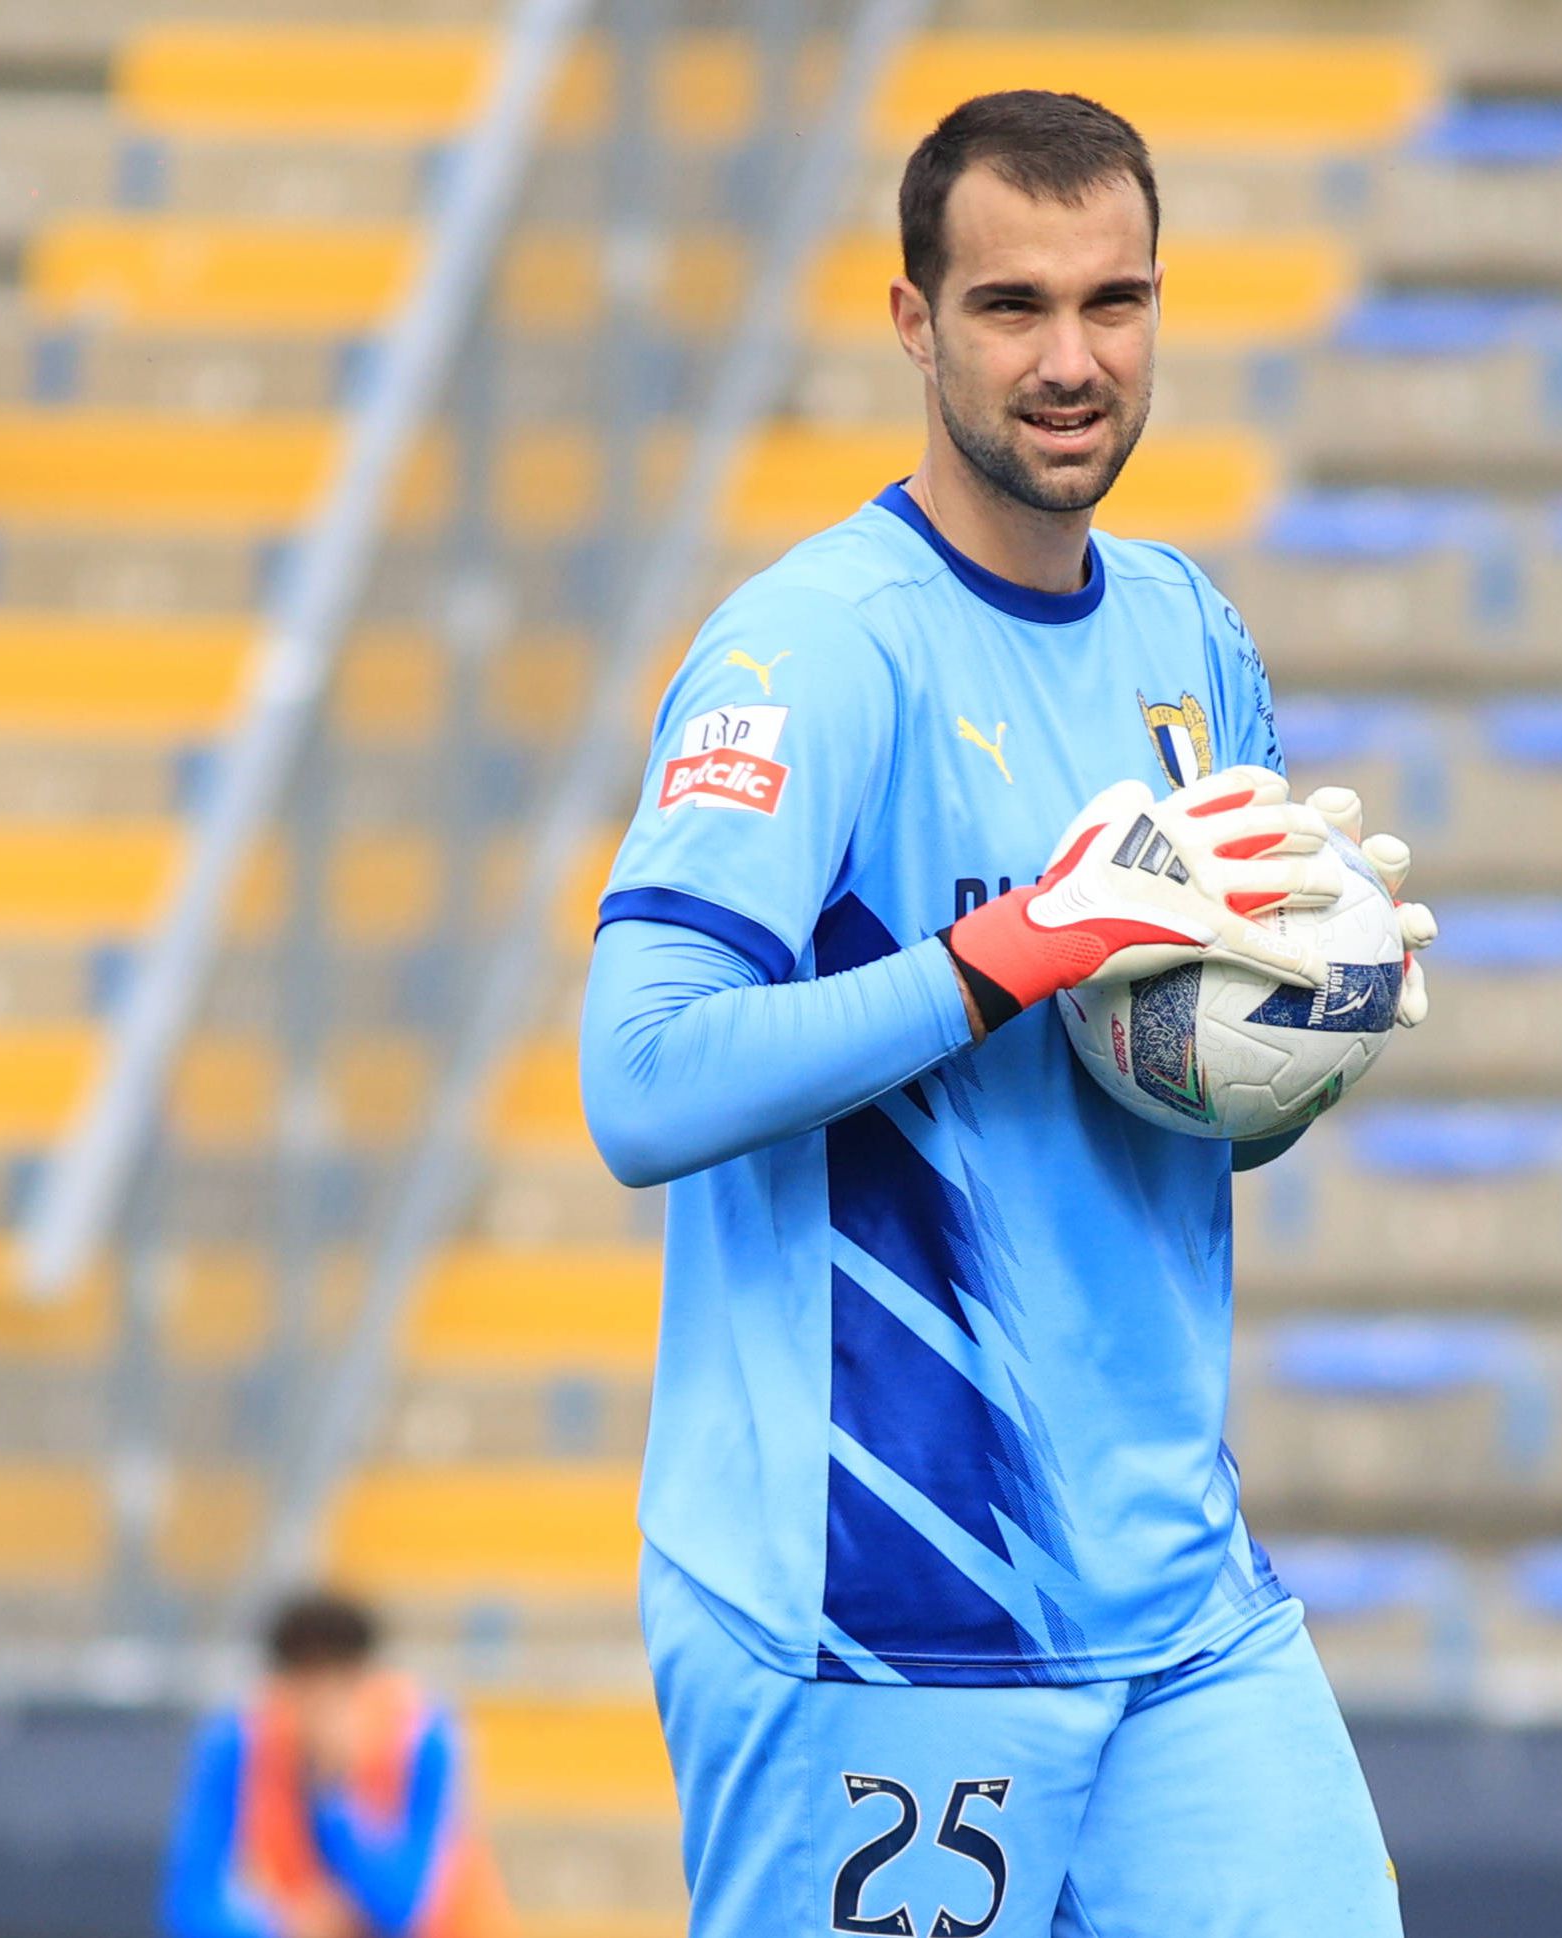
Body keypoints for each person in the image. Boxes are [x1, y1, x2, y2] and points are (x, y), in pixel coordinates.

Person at [578, 88, 1437, 1938]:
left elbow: (1178, 1091)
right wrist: (1012, 947)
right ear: (912, 323)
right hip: (884, 1615)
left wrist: (1308, 1029)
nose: (1072, 359)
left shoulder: (1187, 635)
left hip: (1181, 1613)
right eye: (1011, 307)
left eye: (1113, 303)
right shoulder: (812, 651)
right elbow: (635, 1083)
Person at [160, 1590, 512, 1938]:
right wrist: (282, 1925)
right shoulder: (238, 1742)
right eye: (308, 1685)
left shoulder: (420, 1738)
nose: (322, 1706)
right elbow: (189, 1907)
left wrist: (332, 1794)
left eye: (339, 1685)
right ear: (280, 1686)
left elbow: (402, 1909)